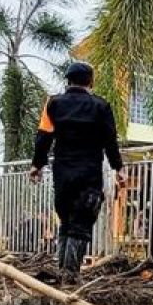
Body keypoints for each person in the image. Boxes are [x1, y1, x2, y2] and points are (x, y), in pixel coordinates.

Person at [29, 61, 124, 277]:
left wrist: (37, 165)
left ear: (68, 81)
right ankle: (70, 275)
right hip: (89, 174)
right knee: (81, 222)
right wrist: (119, 168)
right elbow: (110, 141)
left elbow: (43, 137)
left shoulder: (53, 104)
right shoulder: (101, 106)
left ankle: (63, 270)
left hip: (62, 173)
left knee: (66, 220)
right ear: (90, 81)